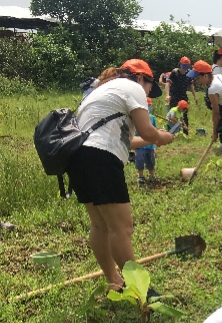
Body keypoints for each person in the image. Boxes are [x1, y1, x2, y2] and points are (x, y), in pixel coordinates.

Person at [66, 59, 174, 292]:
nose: (148, 93)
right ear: (140, 77)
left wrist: (153, 138)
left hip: (77, 158)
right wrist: (160, 137)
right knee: (121, 228)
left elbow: (126, 140)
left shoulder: (100, 91)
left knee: (100, 226)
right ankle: (139, 289)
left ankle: (114, 280)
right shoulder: (132, 87)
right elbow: (147, 131)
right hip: (101, 158)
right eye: (149, 86)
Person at [165, 57, 198, 136]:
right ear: (180, 65)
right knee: (173, 114)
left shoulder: (189, 73)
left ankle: (185, 133)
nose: (185, 69)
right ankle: (171, 133)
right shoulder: (175, 72)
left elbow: (191, 85)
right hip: (174, 95)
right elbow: (168, 84)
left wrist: (195, 96)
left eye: (186, 67)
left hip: (183, 96)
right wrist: (167, 95)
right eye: (184, 67)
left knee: (184, 115)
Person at [134, 97, 158, 185]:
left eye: (149, 105)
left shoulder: (152, 118)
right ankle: (140, 176)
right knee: (140, 160)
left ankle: (152, 175)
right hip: (140, 145)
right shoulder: (137, 118)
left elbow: (155, 130)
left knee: (151, 161)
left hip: (150, 146)